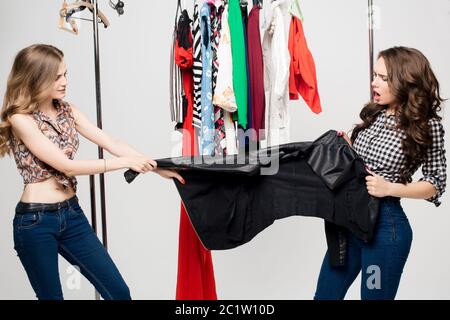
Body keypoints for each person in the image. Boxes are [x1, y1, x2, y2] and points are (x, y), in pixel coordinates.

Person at [0, 44, 185, 300]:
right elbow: (66, 167)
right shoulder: (22, 120)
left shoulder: (67, 110)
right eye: (56, 77)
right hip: (35, 222)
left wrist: (154, 166)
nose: (64, 82)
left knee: (119, 292)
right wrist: (124, 163)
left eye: (66, 74)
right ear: (36, 78)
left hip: (71, 214)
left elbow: (111, 142)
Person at [314, 46, 447, 300]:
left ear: (405, 81)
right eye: (374, 75)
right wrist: (347, 148)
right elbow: (363, 165)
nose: (374, 83)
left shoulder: (426, 125)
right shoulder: (374, 113)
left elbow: (436, 183)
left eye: (383, 78)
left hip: (384, 232)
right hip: (348, 223)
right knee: (325, 296)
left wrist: (390, 188)